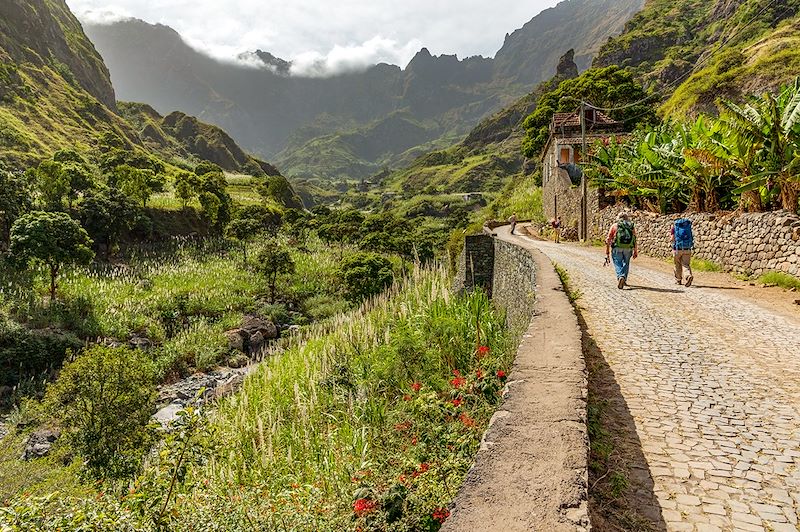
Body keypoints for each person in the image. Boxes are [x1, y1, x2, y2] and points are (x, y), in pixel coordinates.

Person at [605, 211, 638, 289]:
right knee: (626, 263)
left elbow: (608, 239)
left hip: (617, 248)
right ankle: (624, 279)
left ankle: (621, 276)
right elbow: (634, 239)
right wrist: (635, 250)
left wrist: (607, 251)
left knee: (617, 262)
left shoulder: (615, 226)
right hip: (628, 248)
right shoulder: (631, 226)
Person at [671, 217, 694, 287]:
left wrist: (672, 244)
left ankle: (678, 280)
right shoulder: (687, 226)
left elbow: (672, 238)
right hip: (687, 247)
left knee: (677, 264)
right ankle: (688, 276)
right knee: (685, 264)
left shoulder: (674, 226)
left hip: (677, 248)